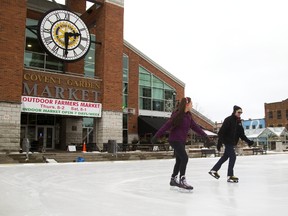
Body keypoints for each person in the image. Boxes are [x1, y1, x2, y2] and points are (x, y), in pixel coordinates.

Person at [151, 97, 209, 190]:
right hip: (174, 140)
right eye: (191, 104)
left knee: (179, 160)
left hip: (181, 141)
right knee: (184, 158)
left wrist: (205, 136)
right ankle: (182, 180)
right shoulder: (177, 114)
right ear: (187, 104)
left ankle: (173, 179)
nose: (192, 105)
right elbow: (166, 125)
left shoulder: (188, 116)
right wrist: (156, 136)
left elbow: (196, 127)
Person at [208, 105, 254, 183]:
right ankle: (230, 175)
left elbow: (241, 134)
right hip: (227, 141)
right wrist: (219, 143)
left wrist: (248, 141)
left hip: (232, 143)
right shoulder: (228, 120)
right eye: (238, 112)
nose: (240, 114)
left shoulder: (239, 122)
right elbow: (221, 132)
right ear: (234, 112)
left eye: (241, 112)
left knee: (225, 157)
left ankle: (214, 170)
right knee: (233, 156)